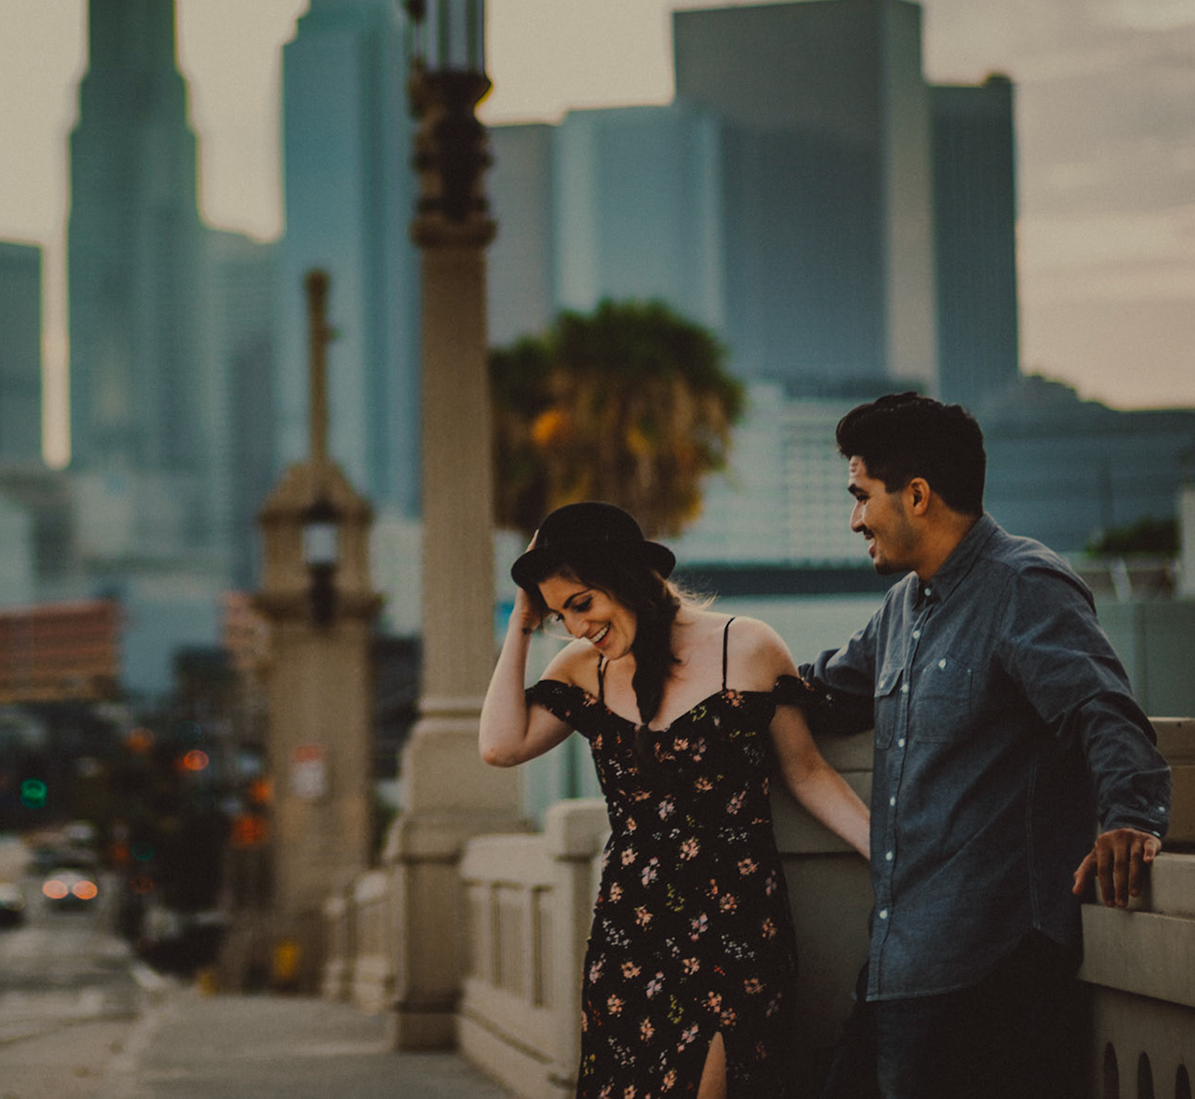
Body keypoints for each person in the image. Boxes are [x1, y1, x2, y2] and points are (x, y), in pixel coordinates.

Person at [794, 392, 1172, 1099]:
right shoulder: (904, 606)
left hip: (992, 974)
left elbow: (1105, 710)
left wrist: (1132, 817)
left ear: (916, 495)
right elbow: (822, 693)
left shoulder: (1025, 585)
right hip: (895, 967)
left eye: (860, 495)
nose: (854, 520)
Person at [481, 501, 871, 1099]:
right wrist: (523, 624)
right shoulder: (583, 667)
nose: (578, 626)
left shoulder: (749, 646)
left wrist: (891, 852)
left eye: (582, 603)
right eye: (561, 614)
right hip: (631, 933)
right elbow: (501, 746)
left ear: (628, 577)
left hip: (737, 926)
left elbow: (809, 774)